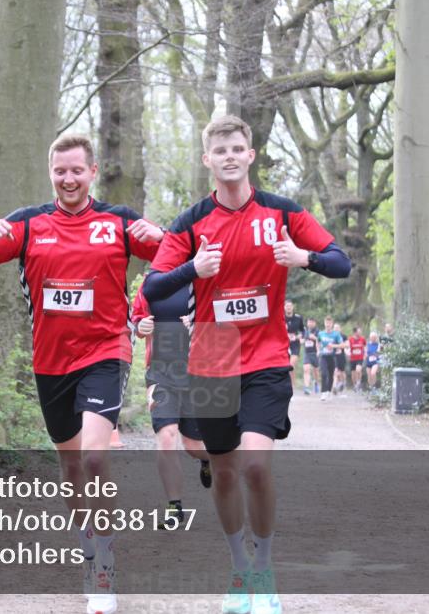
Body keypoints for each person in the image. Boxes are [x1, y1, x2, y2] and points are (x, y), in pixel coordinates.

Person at [142, 115, 350, 614]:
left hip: (266, 357)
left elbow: (340, 261)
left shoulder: (282, 213)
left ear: (251, 155)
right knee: (226, 470)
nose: (230, 156)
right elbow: (150, 289)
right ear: (207, 160)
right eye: (221, 150)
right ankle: (239, 568)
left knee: (256, 464)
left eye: (238, 148)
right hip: (213, 357)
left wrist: (303, 258)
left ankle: (266, 570)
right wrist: (194, 269)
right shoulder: (191, 223)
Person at [0, 133, 164, 614]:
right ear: (52, 173)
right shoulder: (28, 224)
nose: (69, 179)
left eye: (77, 170)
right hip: (51, 363)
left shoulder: (119, 222)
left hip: (107, 352)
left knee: (93, 457)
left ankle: (103, 567)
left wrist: (167, 241)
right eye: (60, 170)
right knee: (71, 467)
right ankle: (88, 541)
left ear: (92, 172)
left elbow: (176, 261)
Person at [131, 284, 212, 529]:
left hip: (196, 374)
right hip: (160, 374)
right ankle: (174, 507)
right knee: (167, 436)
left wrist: (199, 323)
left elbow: (222, 319)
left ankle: (208, 460)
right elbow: (135, 318)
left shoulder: (202, 280)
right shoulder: (151, 283)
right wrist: (140, 326)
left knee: (192, 445)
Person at [317, 317, 343, 401]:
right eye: (326, 323)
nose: (328, 325)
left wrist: (334, 346)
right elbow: (317, 342)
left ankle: (328, 391)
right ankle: (323, 392)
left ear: (332, 324)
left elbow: (342, 345)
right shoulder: (320, 333)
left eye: (329, 323)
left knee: (331, 375)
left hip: (332, 357)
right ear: (324, 323)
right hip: (323, 356)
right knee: (324, 373)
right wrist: (318, 350)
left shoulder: (336, 334)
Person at [283, 300, 304, 391]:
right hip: (284, 344)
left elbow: (303, 331)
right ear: (284, 307)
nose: (288, 307)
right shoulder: (281, 318)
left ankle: (291, 387)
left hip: (295, 344)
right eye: (287, 306)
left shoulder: (298, 318)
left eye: (290, 306)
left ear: (292, 307)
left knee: (291, 365)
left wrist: (299, 336)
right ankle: (290, 385)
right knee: (286, 367)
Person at [302, 317, 319, 395]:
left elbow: (320, 340)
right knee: (306, 369)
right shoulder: (304, 330)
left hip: (315, 353)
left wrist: (315, 338)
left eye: (312, 322)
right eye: (309, 322)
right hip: (307, 354)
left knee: (316, 371)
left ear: (315, 323)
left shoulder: (317, 331)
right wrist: (302, 340)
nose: (310, 323)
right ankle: (306, 387)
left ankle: (316, 383)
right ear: (307, 323)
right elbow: (302, 339)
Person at [348, 326, 367, 392]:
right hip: (353, 358)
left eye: (360, 332)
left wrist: (365, 354)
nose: (360, 333)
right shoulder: (350, 339)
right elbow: (348, 348)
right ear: (355, 332)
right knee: (353, 373)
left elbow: (365, 347)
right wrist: (348, 354)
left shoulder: (362, 339)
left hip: (360, 357)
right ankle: (355, 385)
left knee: (358, 370)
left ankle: (359, 382)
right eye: (358, 332)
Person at [333, 325, 348, 395]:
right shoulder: (331, 336)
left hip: (341, 356)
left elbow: (347, 345)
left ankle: (343, 383)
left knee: (342, 372)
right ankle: (335, 386)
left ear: (340, 329)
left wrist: (338, 346)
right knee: (335, 371)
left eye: (337, 328)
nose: (336, 329)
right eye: (335, 328)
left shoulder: (344, 336)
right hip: (334, 356)